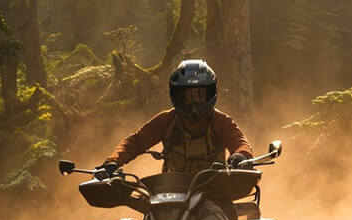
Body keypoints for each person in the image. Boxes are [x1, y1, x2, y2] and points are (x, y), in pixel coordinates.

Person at [100, 59, 254, 176]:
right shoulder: (166, 121)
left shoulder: (220, 122)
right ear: (177, 95)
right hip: (170, 196)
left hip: (215, 194)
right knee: (148, 218)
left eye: (200, 94)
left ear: (210, 93)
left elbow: (241, 143)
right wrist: (113, 161)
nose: (194, 101)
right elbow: (136, 142)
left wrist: (241, 157)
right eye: (188, 95)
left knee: (224, 215)